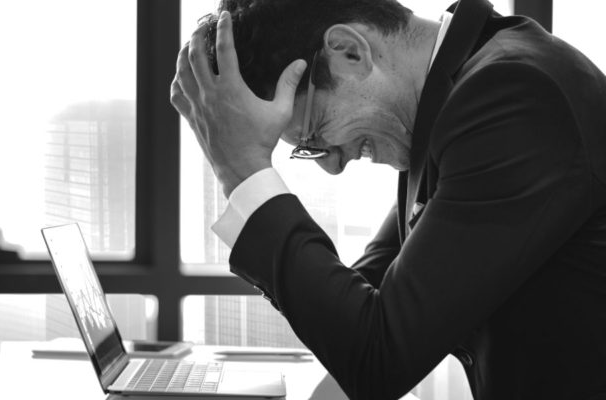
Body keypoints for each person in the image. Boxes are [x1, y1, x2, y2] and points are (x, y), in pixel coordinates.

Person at [170, 0, 606, 398]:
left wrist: (241, 171)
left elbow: (377, 358)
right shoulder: (454, 102)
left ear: (349, 51)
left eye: (313, 134)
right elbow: (368, 294)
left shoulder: (511, 96)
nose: (333, 165)